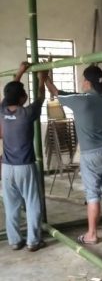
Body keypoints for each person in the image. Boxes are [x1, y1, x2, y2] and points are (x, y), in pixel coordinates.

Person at [41, 64, 102, 244]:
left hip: (90, 154)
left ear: (87, 82)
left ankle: (92, 234)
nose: (82, 83)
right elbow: (100, 91)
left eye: (84, 80)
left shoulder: (80, 100)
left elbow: (54, 91)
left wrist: (45, 77)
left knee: (93, 195)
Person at [0, 62, 45, 251]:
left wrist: (19, 72)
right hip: (25, 166)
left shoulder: (1, 111)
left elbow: (9, 94)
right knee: (33, 202)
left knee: (11, 206)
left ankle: (15, 241)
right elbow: (41, 98)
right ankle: (33, 241)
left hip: (7, 167)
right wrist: (42, 79)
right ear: (22, 98)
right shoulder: (26, 113)